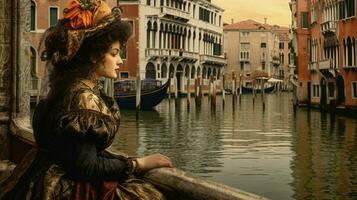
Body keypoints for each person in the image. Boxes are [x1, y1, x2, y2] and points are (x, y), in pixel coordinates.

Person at [0, 0, 173, 199]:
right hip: (66, 188)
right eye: (114, 53)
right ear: (93, 55)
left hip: (38, 172)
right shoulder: (83, 98)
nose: (120, 61)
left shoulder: (66, 87)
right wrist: (137, 164)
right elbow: (87, 166)